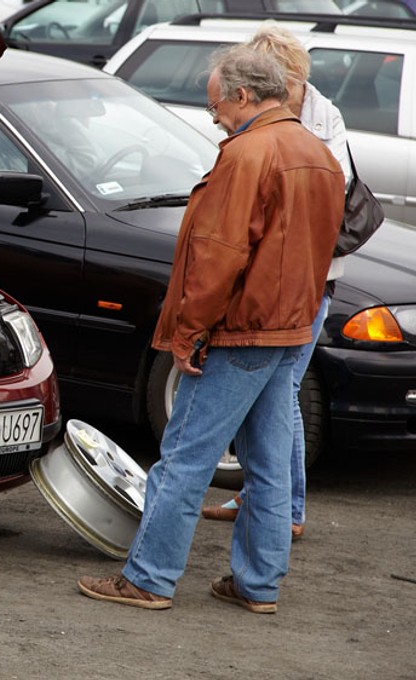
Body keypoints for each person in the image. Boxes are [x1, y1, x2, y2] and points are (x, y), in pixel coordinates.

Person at [77, 44, 344, 614]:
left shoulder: (247, 154)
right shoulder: (317, 153)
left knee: (184, 457)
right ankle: (258, 586)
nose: (215, 116)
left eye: (215, 106)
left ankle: (148, 578)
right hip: (291, 326)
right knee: (270, 464)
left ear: (243, 96)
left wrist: (188, 331)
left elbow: (219, 256)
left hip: (242, 331)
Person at [200, 24, 351, 541]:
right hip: (295, 277)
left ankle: (285, 508)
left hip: (301, 281)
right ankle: (272, 506)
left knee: (279, 394)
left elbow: (318, 198)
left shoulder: (315, 120)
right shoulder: (284, 119)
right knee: (274, 396)